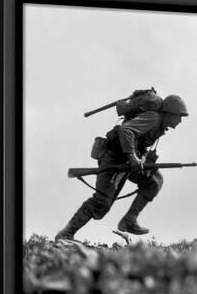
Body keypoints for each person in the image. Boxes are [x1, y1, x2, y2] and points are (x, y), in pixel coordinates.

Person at [55, 94, 188, 241]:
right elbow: (126, 130)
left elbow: (139, 141)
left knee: (155, 180)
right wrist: (132, 157)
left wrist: (142, 158)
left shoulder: (159, 125)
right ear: (170, 112)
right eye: (179, 116)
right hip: (114, 158)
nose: (180, 120)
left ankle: (129, 220)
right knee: (102, 203)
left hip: (127, 161)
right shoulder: (154, 118)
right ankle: (66, 233)